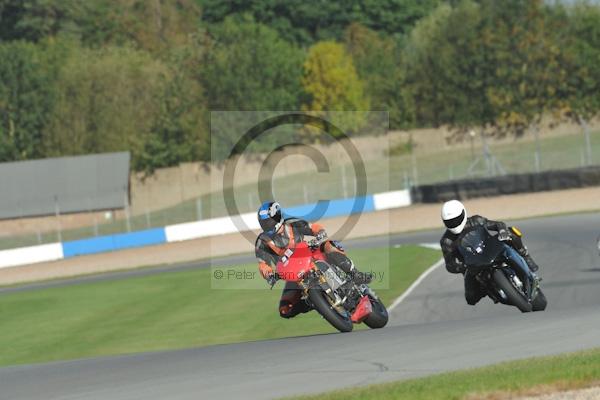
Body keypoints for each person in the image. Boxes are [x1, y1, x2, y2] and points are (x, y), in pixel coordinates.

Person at [255, 201, 371, 319]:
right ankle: (314, 303)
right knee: (285, 310)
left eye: (269, 222)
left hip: (310, 254)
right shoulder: (262, 241)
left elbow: (313, 228)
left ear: (277, 216)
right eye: (264, 223)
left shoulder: (292, 223)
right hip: (294, 274)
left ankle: (355, 273)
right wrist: (269, 274)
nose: (267, 226)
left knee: (328, 245)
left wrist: (320, 233)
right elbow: (263, 264)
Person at [439, 199, 539, 306]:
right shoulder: (447, 241)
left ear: (463, 213)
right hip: (472, 266)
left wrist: (502, 231)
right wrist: (460, 267)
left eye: (456, 220)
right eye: (450, 222)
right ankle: (491, 291)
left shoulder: (476, 220)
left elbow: (498, 224)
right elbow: (449, 264)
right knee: (471, 298)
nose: (454, 224)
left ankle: (525, 255)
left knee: (511, 231)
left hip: (491, 248)